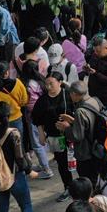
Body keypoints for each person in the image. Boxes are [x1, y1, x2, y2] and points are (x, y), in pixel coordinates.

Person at [0, 102, 32, 212]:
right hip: (15, 175)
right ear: (9, 114)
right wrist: (29, 170)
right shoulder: (13, 133)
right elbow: (20, 158)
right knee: (26, 206)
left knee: (2, 211)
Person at [31, 72, 74, 200]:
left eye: (51, 84)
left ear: (60, 82)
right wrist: (41, 135)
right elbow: (37, 119)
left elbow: (78, 113)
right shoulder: (43, 100)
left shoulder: (68, 95)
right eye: (46, 84)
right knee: (62, 163)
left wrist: (70, 122)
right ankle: (68, 187)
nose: (48, 87)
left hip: (72, 134)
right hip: (55, 137)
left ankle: (83, 186)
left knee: (78, 162)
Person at [55, 81, 103, 185]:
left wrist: (66, 128)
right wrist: (73, 120)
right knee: (95, 177)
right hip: (96, 147)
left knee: (88, 180)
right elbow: (89, 124)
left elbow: (78, 136)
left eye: (70, 94)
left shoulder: (80, 111)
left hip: (86, 152)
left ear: (75, 94)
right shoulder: (94, 100)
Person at [17, 59, 53, 178]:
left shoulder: (27, 85)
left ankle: (47, 170)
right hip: (44, 114)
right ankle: (44, 165)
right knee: (41, 141)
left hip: (33, 116)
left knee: (37, 143)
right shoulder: (42, 80)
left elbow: (25, 102)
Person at [84, 38, 107, 109]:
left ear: (106, 48)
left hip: (105, 96)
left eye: (98, 51)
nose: (96, 53)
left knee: (104, 116)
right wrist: (87, 67)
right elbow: (91, 64)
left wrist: (95, 73)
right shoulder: (95, 54)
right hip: (93, 92)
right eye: (94, 51)